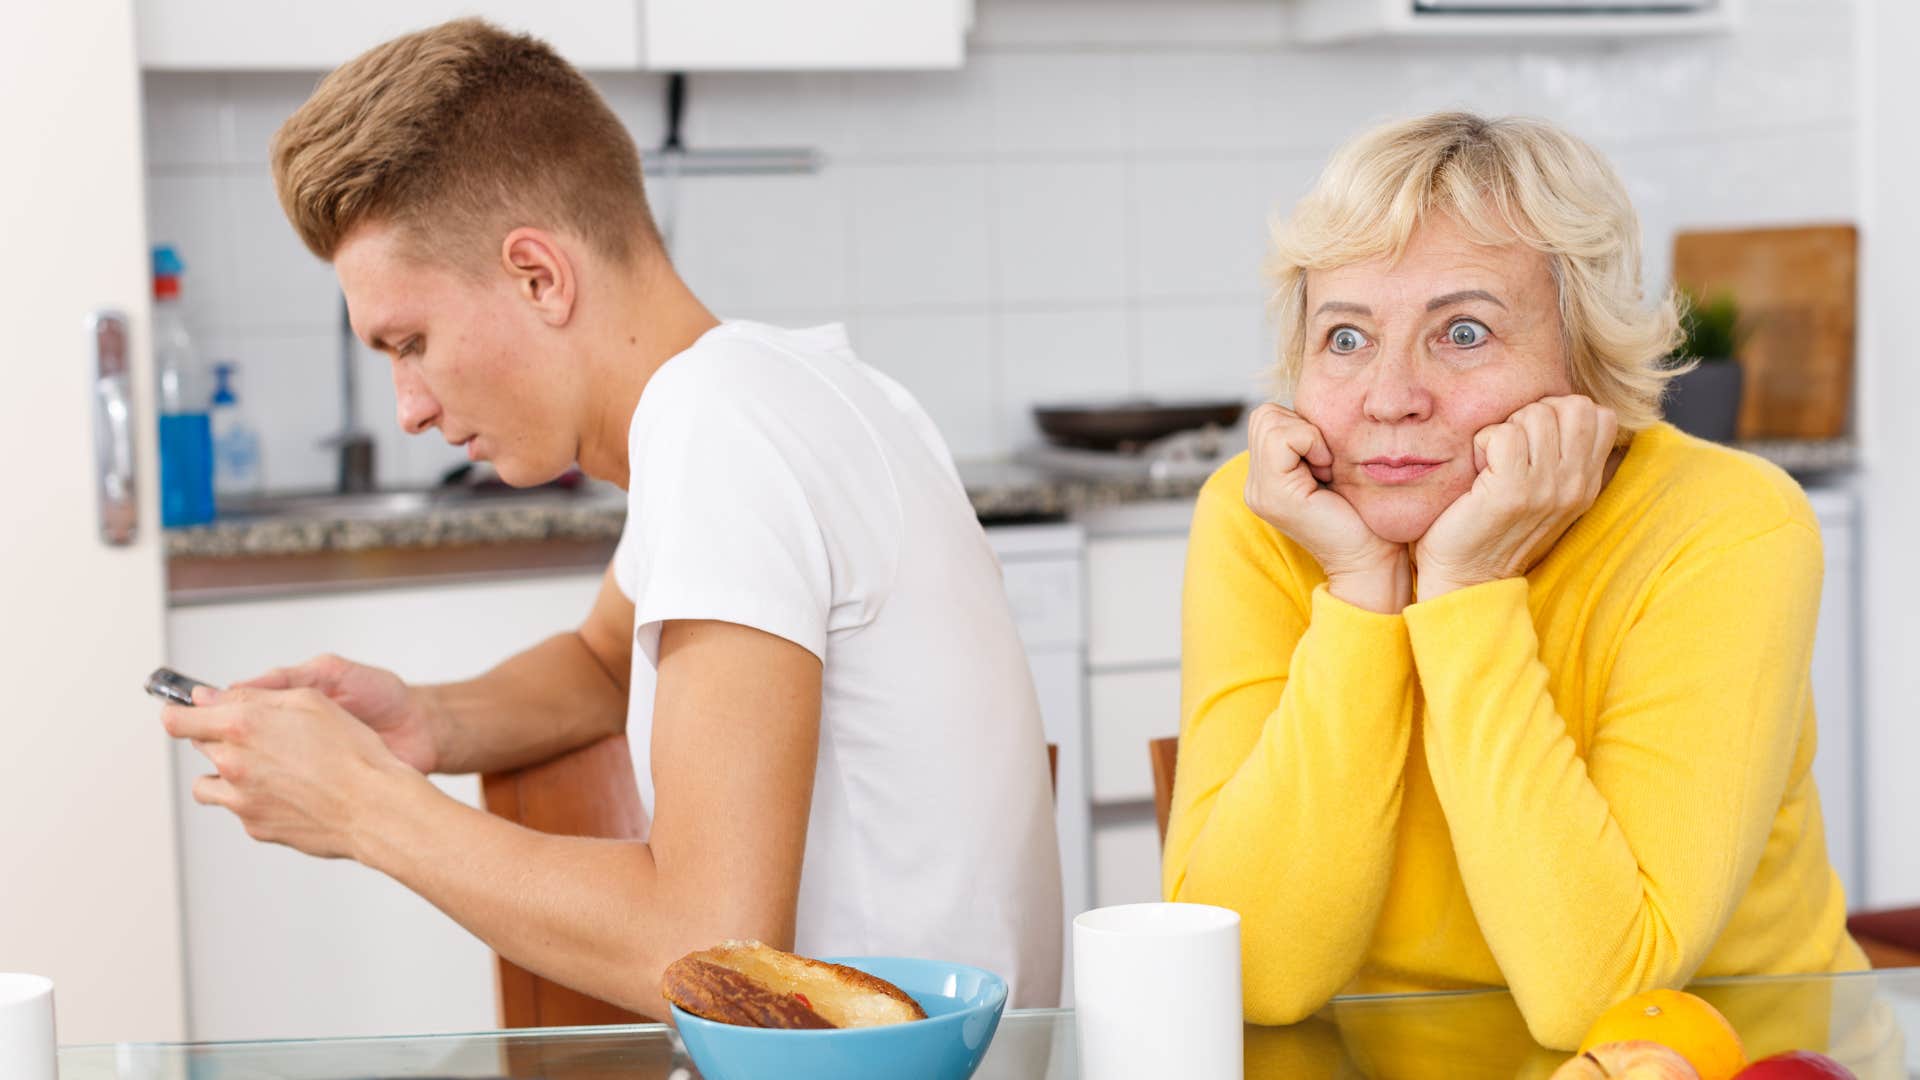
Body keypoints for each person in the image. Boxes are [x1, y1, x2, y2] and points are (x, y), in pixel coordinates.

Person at [156, 18, 1062, 1018]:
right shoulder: (790, 389)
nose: (408, 406)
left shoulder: (723, 432)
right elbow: (603, 658)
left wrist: (365, 808)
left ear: (538, 275)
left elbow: (710, 946)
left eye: (410, 341)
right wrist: (428, 721)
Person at [1162, 111, 1865, 1049]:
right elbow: (1251, 977)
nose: (1389, 396)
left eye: (1461, 332)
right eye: (1344, 338)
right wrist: (1364, 593)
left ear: (1589, 358)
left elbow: (1603, 999)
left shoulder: (1728, 526)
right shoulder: (1267, 517)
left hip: (1733, 1061)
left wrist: (1464, 593)